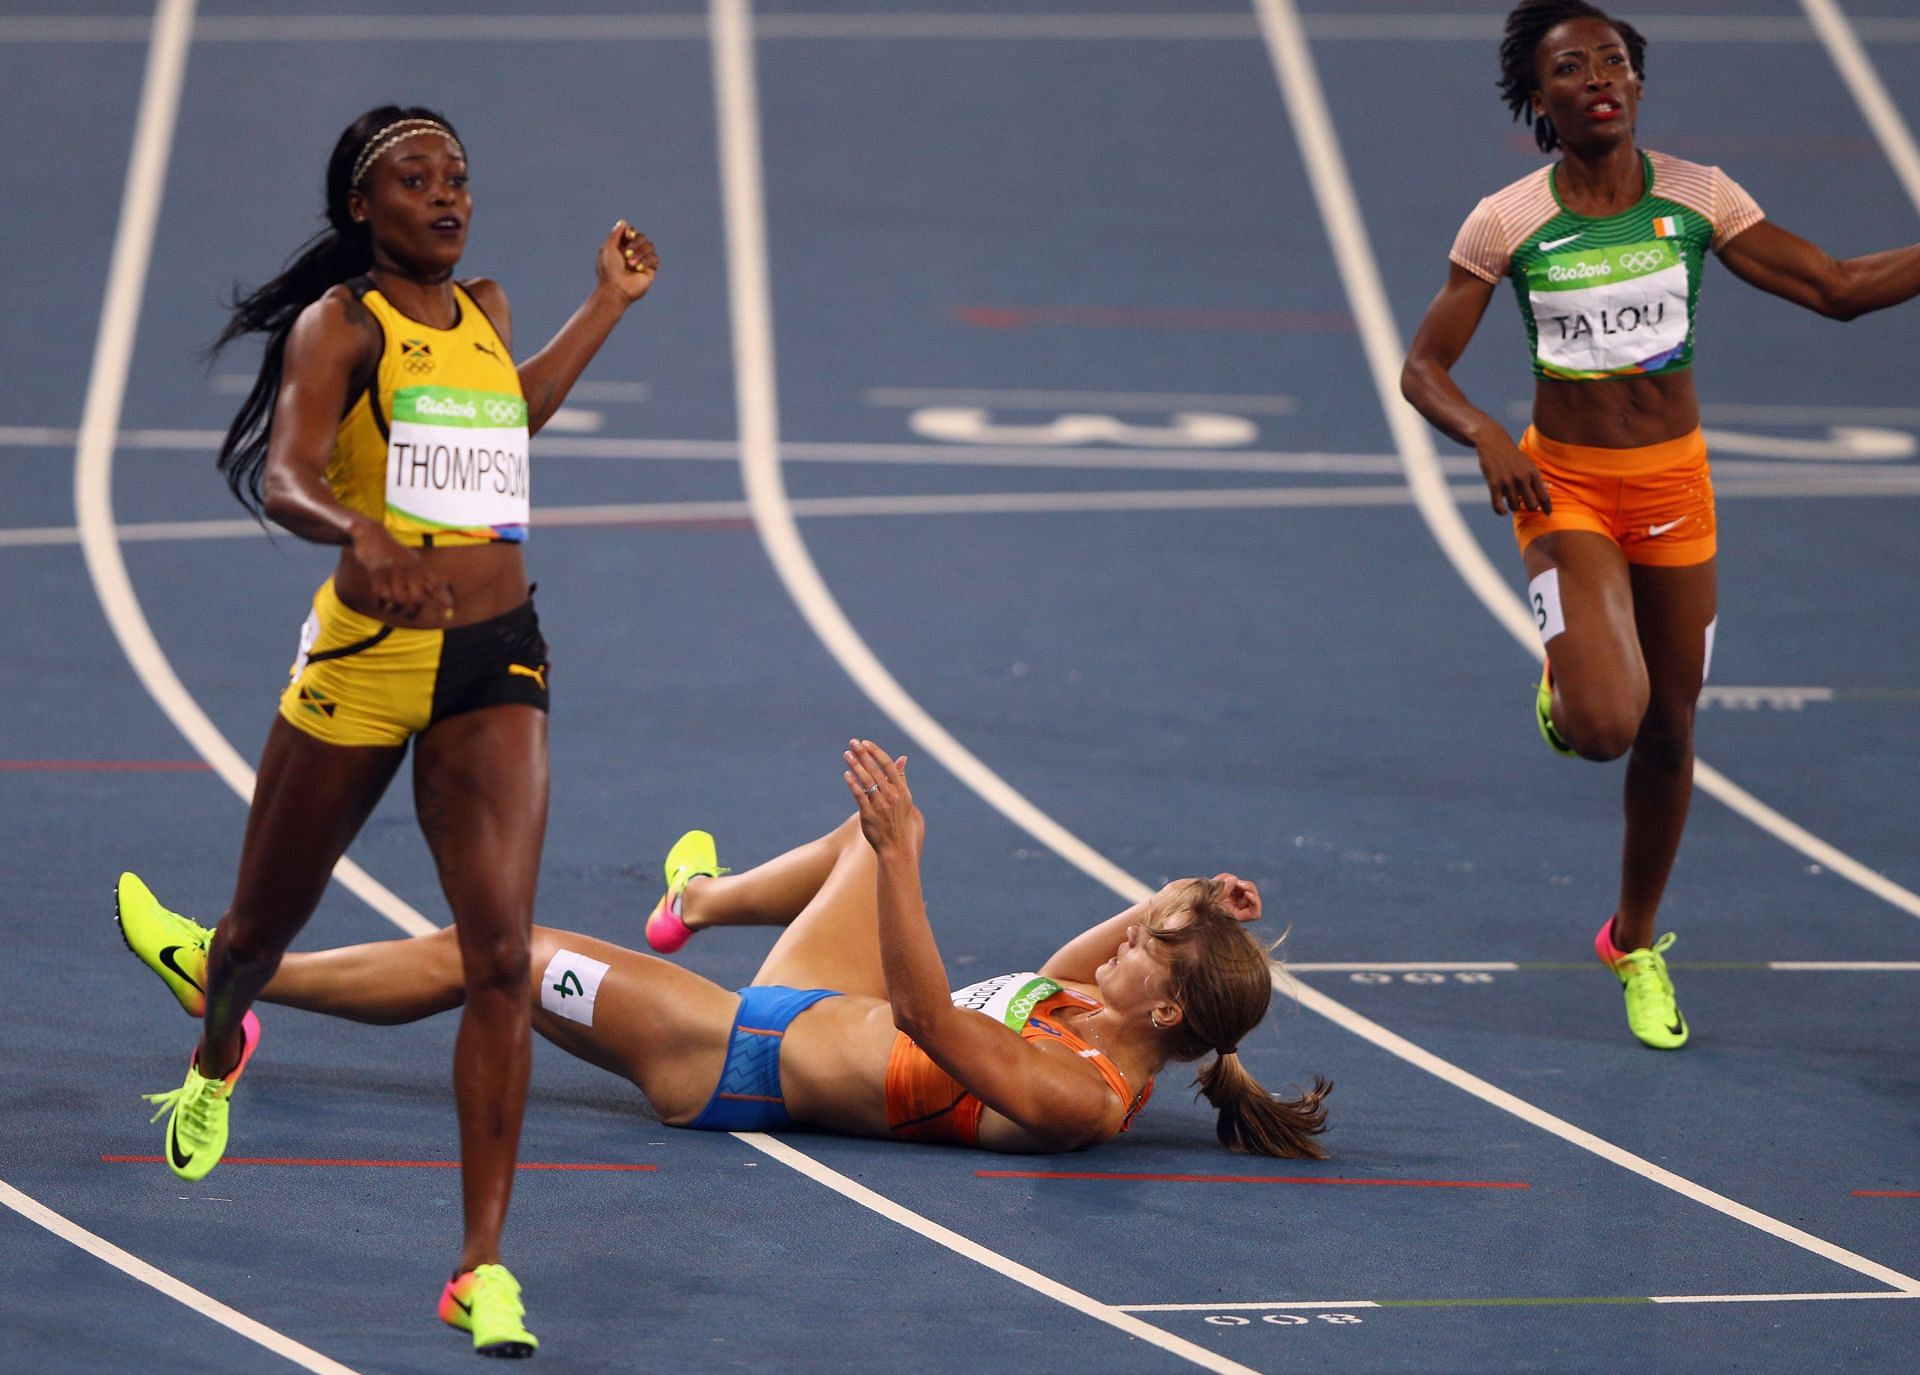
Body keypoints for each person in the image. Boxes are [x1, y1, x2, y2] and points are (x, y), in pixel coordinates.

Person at [130, 105, 659, 1355]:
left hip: (495, 655)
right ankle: (218, 1043)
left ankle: (480, 1265)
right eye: (414, 179)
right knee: (259, 932)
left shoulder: (487, 308)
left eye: (458, 176)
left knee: (500, 959)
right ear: (362, 210)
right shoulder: (342, 325)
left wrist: (607, 305)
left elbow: (504, 427)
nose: (446, 195)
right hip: (367, 662)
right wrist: (355, 531)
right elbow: (287, 476)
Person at [1400, 1, 1920, 1049]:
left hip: (1674, 488)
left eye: (1615, 61)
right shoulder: (1506, 221)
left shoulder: (1697, 199)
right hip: (1566, 491)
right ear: (1537, 98)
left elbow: (1838, 290)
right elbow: (1422, 367)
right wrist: (1486, 436)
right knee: (1605, 728)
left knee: (1671, 730)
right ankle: (1574, 678)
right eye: (1571, 66)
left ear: (1637, 84)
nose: (1598, 76)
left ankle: (1633, 941)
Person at [118, 740, 1331, 1187]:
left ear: (1165, 1006)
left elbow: (922, 1006)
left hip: (727, 1058)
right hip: (818, 1004)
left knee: (492, 951)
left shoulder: (1082, 1098)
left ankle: (233, 980)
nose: (1121, 939)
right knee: (866, 835)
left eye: (1146, 946)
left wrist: (908, 861)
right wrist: (1192, 897)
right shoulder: (1101, 1000)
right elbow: (1079, 956)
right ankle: (693, 900)